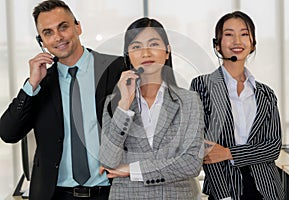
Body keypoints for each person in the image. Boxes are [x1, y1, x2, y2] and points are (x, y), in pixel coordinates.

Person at [0, 0, 124, 199]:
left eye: (63, 27)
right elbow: (8, 133)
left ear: (78, 27)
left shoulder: (116, 68)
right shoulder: (39, 84)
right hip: (55, 194)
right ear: (41, 41)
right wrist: (31, 86)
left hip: (112, 192)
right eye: (48, 32)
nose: (57, 37)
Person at [99, 17, 204, 199]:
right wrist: (124, 104)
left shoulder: (189, 101)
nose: (146, 53)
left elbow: (191, 163)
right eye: (136, 47)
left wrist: (133, 170)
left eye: (153, 44)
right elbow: (108, 160)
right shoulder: (114, 102)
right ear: (128, 56)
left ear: (167, 51)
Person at [190, 11, 285, 200]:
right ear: (217, 44)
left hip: (267, 190)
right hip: (224, 190)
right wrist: (223, 196)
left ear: (252, 43)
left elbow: (273, 147)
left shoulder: (266, 93)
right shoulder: (202, 86)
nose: (237, 41)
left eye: (244, 34)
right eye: (228, 34)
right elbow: (205, 149)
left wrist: (228, 153)